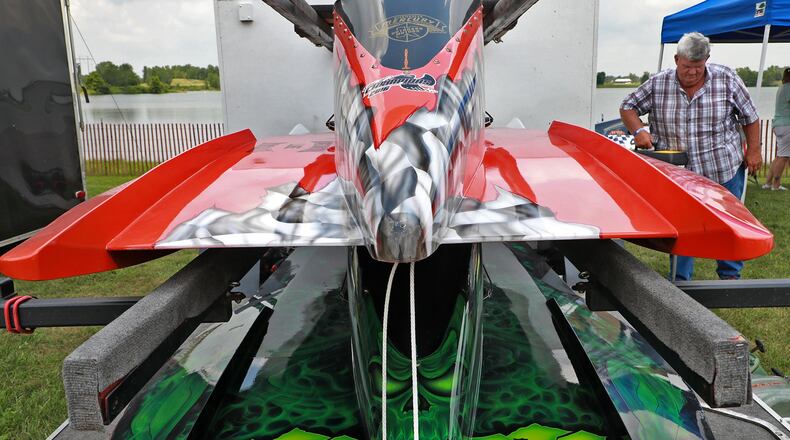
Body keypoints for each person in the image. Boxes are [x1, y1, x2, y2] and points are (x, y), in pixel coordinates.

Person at [619, 32, 763, 281]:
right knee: (683, 227)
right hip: (679, 175)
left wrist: (754, 150)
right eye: (687, 67)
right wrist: (639, 130)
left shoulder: (727, 79)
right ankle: (680, 280)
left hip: (722, 168)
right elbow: (627, 106)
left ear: (707, 59)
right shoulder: (657, 83)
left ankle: (730, 279)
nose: (693, 72)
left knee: (728, 225)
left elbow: (750, 117)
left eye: (698, 66)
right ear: (676, 59)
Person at [763, 68, 790, 191]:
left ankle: (768, 183)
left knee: (780, 156)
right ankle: (776, 185)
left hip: (778, 124)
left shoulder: (782, 88)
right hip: (786, 125)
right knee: (784, 157)